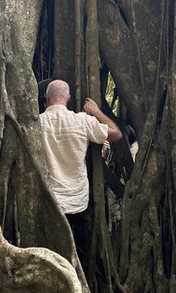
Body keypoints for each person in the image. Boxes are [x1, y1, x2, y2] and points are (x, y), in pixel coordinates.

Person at [39, 79, 121, 254]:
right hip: (76, 201)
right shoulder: (82, 121)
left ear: (46, 97)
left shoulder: (37, 123)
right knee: (73, 248)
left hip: (49, 200)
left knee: (50, 250)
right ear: (68, 98)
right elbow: (116, 134)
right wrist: (96, 112)